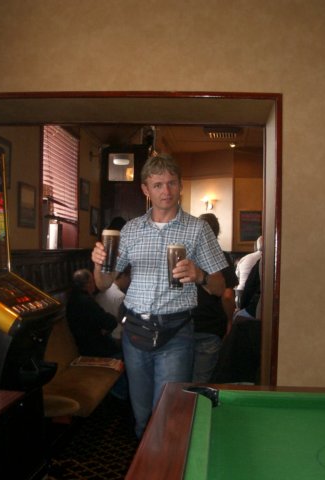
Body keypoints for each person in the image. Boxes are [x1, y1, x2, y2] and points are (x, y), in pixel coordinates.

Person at [91, 154, 229, 438]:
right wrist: (98, 263)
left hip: (176, 333)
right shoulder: (131, 230)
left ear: (180, 186)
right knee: (142, 416)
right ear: (146, 189)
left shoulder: (198, 229)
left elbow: (219, 287)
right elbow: (103, 284)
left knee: (166, 414)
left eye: (171, 183)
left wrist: (199, 275)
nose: (166, 191)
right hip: (135, 331)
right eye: (157, 185)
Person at [191, 213, 238, 383]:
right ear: (217, 233)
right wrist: (230, 321)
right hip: (211, 326)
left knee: (179, 381)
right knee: (201, 382)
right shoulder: (221, 257)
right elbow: (227, 295)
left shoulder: (186, 255)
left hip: (184, 326)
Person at [66, 269, 121, 358]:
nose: (94, 284)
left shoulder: (72, 299)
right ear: (88, 284)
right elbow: (108, 322)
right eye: (93, 281)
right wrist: (113, 320)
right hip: (94, 349)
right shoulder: (86, 301)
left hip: (83, 345)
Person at [95, 265, 132, 339]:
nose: (129, 282)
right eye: (129, 278)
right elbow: (123, 320)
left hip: (102, 333)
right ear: (123, 276)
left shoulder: (102, 291)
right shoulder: (120, 296)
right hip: (116, 335)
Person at [234, 235, 262, 308]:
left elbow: (237, 275)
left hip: (240, 293)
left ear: (257, 246)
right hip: (255, 296)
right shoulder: (266, 257)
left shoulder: (245, 258)